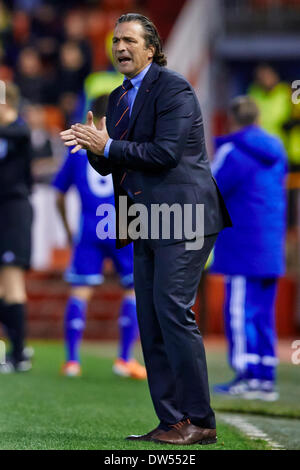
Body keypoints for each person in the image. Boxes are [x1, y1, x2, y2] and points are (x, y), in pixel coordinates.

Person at [61, 13, 231, 445]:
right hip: (144, 218)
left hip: (185, 213)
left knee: (172, 310)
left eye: (130, 40)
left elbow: (166, 153)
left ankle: (201, 421)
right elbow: (115, 161)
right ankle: (173, 420)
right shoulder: (117, 98)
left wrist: (110, 145)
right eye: (116, 40)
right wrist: (94, 145)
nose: (120, 47)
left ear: (151, 48)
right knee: (151, 319)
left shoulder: (174, 87)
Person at [52, 95, 146, 380]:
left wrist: (68, 227)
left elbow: (58, 192)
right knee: (133, 291)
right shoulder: (127, 146)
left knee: (80, 291)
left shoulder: (78, 148)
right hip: (124, 225)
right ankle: (124, 359)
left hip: (89, 226)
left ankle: (72, 361)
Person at [211, 96, 287, 401]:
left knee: (239, 313)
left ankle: (246, 375)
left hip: (243, 245)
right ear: (257, 119)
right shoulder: (277, 149)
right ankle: (264, 376)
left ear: (232, 118)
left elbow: (210, 189)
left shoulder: (233, 151)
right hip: (270, 243)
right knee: (263, 315)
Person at [0, 82, 34, 373]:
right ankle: (16, 346)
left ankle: (19, 353)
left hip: (14, 212)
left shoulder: (19, 131)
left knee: (12, 282)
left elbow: (19, 133)